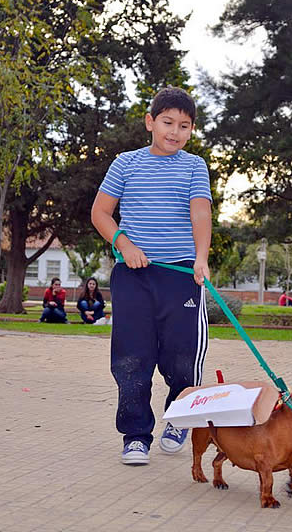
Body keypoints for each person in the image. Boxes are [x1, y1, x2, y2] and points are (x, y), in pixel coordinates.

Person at [91, 87, 212, 466]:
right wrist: (124, 244)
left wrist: (201, 258)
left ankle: (178, 418)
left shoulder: (194, 167)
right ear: (150, 122)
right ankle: (135, 435)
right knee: (132, 358)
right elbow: (101, 213)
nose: (175, 132)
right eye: (168, 123)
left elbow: (200, 214)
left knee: (182, 358)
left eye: (184, 125)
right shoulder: (125, 163)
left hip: (180, 277)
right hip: (133, 276)